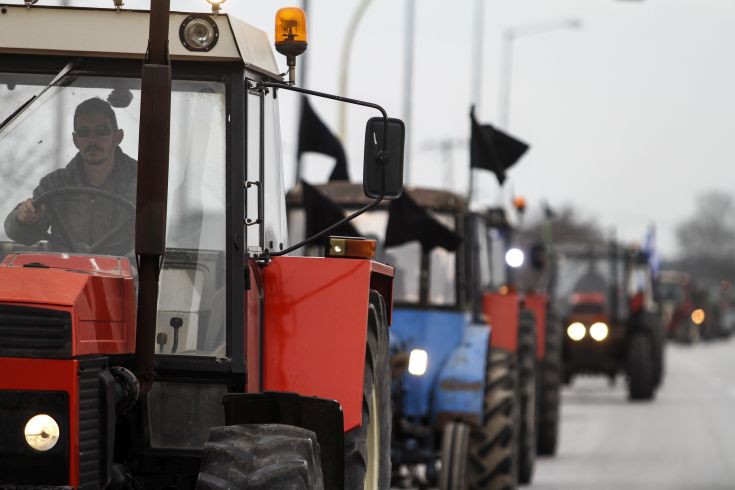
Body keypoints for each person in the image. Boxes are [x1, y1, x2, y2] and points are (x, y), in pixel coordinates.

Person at [4, 97, 137, 256]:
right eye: (84, 132)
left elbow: (154, 239)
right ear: (75, 140)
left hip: (121, 277)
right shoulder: (55, 184)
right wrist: (24, 218)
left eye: (101, 131)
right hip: (64, 275)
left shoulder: (142, 180)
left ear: (117, 137)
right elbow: (24, 236)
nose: (92, 140)